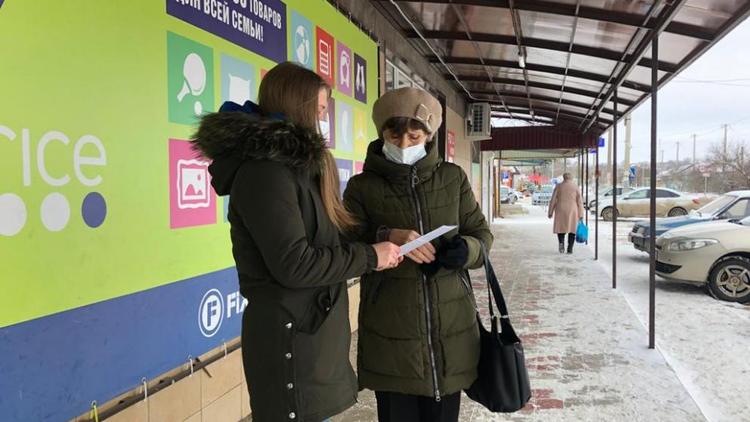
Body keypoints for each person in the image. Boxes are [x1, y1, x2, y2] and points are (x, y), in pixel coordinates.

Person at [192, 62, 401, 422]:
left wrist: (383, 238)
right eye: (319, 110)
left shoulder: (297, 167)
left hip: (312, 335)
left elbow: (329, 232)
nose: (323, 120)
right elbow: (295, 263)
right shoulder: (264, 172)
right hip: (289, 339)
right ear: (298, 106)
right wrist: (370, 257)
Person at [343, 87, 493, 422]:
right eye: (394, 137)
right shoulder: (361, 188)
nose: (405, 146)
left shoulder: (452, 179)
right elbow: (345, 242)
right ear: (382, 134)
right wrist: (385, 236)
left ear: (429, 136)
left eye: (414, 137)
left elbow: (482, 236)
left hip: (450, 330)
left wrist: (464, 251)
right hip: (392, 332)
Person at [548, 172, 584, 254]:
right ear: (571, 178)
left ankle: (561, 243)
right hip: (573, 210)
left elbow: (553, 200)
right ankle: (570, 248)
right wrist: (581, 214)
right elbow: (580, 202)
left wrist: (550, 212)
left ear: (564, 178)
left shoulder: (558, 186)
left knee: (561, 228)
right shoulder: (575, 187)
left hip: (560, 209)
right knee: (572, 230)